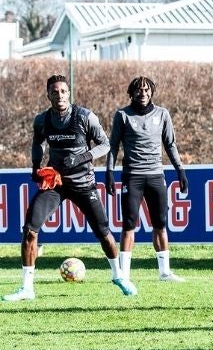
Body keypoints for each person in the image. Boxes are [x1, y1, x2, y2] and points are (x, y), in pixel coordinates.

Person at [3, 74, 137, 302]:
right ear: (48, 95)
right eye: (54, 92)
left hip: (83, 183)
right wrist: (36, 166)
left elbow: (106, 144)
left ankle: (119, 276)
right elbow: (37, 142)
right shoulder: (42, 120)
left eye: (63, 91)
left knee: (104, 234)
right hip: (55, 183)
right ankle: (27, 288)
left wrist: (82, 157)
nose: (59, 95)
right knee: (29, 230)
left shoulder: (85, 117)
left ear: (69, 93)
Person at [106, 76, 188, 283]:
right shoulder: (122, 115)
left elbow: (170, 144)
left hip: (155, 176)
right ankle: (123, 275)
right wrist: (109, 172)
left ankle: (165, 272)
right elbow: (113, 146)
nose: (143, 94)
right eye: (138, 90)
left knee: (160, 223)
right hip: (132, 176)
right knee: (129, 225)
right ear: (131, 93)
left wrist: (180, 170)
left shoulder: (162, 114)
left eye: (146, 90)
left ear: (152, 92)